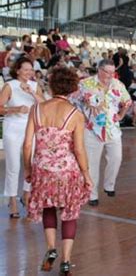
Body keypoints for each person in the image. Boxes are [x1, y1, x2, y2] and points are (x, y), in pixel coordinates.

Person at [23, 67, 93, 275]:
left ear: (51, 86)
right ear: (72, 88)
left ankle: (51, 248)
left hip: (42, 168)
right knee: (70, 212)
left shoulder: (36, 109)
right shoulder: (75, 114)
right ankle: (66, 260)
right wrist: (87, 174)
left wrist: (28, 170)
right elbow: (79, 149)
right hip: (66, 169)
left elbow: (27, 145)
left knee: (48, 207)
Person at [71, 59, 132, 206]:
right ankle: (92, 194)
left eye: (113, 72)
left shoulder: (118, 84)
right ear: (99, 70)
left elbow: (127, 101)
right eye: (107, 72)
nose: (110, 75)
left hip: (112, 128)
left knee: (116, 158)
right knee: (92, 163)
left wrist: (121, 115)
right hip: (92, 129)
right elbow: (73, 101)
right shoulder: (85, 84)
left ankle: (109, 185)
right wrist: (84, 113)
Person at [0, 57, 45, 218]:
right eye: (25, 69)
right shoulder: (9, 86)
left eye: (31, 69)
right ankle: (12, 200)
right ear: (17, 70)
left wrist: (31, 92)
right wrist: (15, 109)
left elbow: (44, 106)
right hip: (12, 128)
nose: (29, 72)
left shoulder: (35, 86)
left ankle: (27, 194)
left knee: (31, 164)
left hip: (31, 128)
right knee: (13, 166)